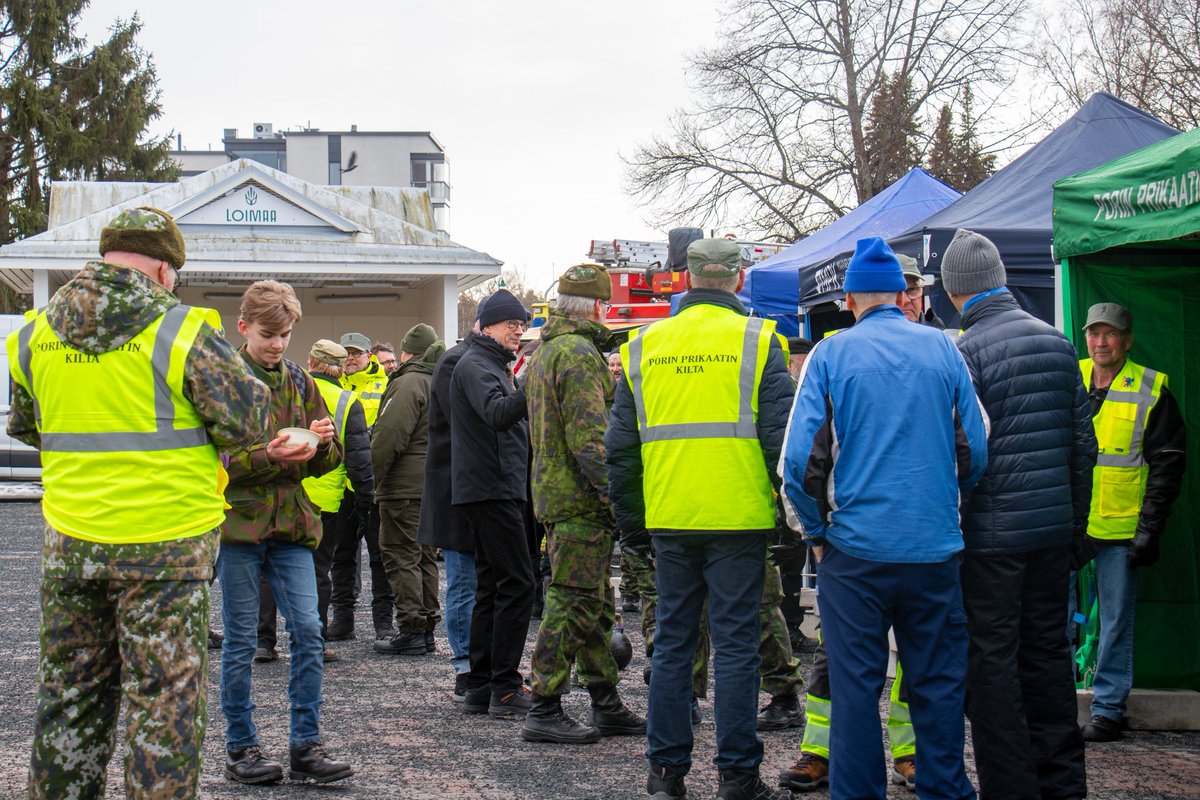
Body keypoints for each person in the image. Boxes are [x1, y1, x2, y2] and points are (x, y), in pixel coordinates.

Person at [9, 206, 269, 799]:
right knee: (163, 709)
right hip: (166, 546)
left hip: (71, 541)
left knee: (68, 700)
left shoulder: (34, 334)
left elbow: (31, 426)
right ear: (161, 267)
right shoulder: (181, 331)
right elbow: (248, 419)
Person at [779, 236, 988, 800]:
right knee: (938, 683)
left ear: (848, 300)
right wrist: (945, 501)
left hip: (855, 553)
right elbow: (977, 446)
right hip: (933, 548)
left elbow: (797, 464)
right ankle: (945, 789)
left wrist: (818, 537)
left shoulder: (829, 355)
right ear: (903, 294)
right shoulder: (944, 350)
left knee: (854, 687)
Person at [607, 237, 796, 800]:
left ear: (685, 278)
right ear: (738, 281)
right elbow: (779, 442)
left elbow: (620, 450)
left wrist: (633, 525)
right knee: (737, 646)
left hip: (671, 514)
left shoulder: (643, 346)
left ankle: (666, 775)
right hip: (739, 516)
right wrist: (789, 519)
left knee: (672, 643)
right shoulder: (762, 341)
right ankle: (737, 776)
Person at [942, 229, 1096, 800]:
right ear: (1001, 279)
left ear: (955, 292)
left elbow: (961, 453)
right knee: (1050, 661)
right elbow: (1085, 446)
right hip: (1052, 534)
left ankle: (1010, 789)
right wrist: (1074, 529)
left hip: (989, 543)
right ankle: (1064, 786)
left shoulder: (965, 352)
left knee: (993, 671)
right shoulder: (1058, 343)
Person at [219, 280, 352, 785]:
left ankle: (305, 746)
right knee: (240, 642)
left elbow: (328, 462)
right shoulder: (222, 378)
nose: (277, 343)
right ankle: (241, 748)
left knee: (310, 633)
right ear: (244, 326)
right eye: (268, 334)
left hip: (294, 525)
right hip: (237, 528)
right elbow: (210, 460)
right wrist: (266, 456)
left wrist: (322, 444)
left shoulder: (300, 381)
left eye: (285, 334)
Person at [520, 264, 646, 744]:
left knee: (593, 602)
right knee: (573, 601)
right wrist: (617, 499)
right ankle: (544, 705)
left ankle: (604, 701)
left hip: (558, 494)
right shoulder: (578, 354)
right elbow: (592, 440)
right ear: (599, 306)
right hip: (580, 501)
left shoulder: (547, 350)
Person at [1076, 302, 1186, 742]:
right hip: (1070, 524)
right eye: (1094, 333)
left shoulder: (1151, 387)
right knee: (1056, 617)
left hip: (1122, 528)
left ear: (1127, 339)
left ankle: (1107, 710)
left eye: (1110, 334)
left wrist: (1149, 529)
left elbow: (1168, 466)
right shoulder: (1071, 373)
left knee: (1116, 620)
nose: (1101, 342)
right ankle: (1059, 701)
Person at [256, 339, 373, 664]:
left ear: (310, 360)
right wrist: (365, 499)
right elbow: (359, 458)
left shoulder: (286, 391)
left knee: (269, 567)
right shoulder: (349, 401)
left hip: (285, 492)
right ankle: (314, 642)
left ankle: (264, 641)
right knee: (319, 570)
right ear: (340, 368)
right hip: (326, 501)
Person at [452, 289, 537, 718]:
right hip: (492, 489)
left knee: (492, 586)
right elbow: (498, 413)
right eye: (510, 324)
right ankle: (505, 686)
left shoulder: (492, 364)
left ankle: (481, 687)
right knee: (519, 583)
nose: (517, 331)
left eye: (521, 325)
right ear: (485, 327)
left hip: (493, 487)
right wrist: (532, 387)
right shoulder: (476, 364)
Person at [418, 317, 484, 701]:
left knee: (475, 583)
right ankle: (464, 665)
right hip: (455, 489)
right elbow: (467, 427)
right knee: (463, 583)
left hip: (471, 488)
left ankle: (476, 663)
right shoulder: (456, 363)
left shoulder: (473, 361)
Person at [372, 323, 447, 655]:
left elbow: (388, 436)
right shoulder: (439, 381)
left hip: (403, 487)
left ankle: (412, 628)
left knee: (401, 554)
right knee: (425, 555)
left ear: (406, 352)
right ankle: (427, 625)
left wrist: (369, 480)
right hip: (432, 486)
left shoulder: (408, 383)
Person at [328, 331, 392, 642]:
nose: (351, 358)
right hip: (342, 485)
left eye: (357, 353)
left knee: (380, 555)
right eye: (347, 353)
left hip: (374, 484)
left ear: (369, 356)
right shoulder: (335, 386)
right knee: (342, 555)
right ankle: (343, 618)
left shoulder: (385, 386)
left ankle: (384, 621)